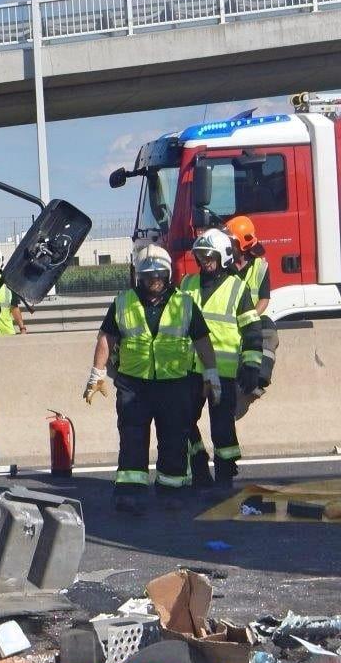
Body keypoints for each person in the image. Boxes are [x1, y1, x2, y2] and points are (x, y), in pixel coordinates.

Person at [84, 244, 220, 515]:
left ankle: (171, 491)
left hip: (174, 383)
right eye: (148, 276)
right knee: (132, 439)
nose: (154, 280)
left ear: (167, 275)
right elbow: (107, 338)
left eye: (159, 275)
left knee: (173, 439)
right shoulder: (123, 302)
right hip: (134, 384)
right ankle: (130, 493)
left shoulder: (184, 303)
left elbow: (202, 341)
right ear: (140, 276)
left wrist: (211, 374)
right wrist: (96, 374)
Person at [180, 230, 263, 488]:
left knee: (222, 427)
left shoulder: (237, 288)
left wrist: (251, 364)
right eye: (201, 256)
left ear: (223, 256)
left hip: (223, 372)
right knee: (182, 421)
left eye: (210, 256)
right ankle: (198, 466)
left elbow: (252, 329)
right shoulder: (187, 284)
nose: (205, 261)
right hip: (190, 369)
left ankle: (225, 475)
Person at [225, 215, 277, 416]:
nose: (228, 245)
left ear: (242, 244)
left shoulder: (260, 266)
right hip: (227, 319)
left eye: (231, 241)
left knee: (268, 330)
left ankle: (260, 378)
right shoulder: (224, 265)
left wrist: (250, 317)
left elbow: (264, 298)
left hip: (251, 317)